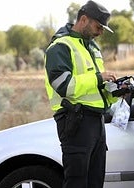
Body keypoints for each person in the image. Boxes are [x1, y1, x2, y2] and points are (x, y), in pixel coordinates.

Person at [44, 1, 119, 187]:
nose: (101, 32)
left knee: (95, 181)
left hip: (96, 122)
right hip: (75, 121)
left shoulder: (91, 47)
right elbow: (64, 85)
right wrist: (98, 78)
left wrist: (116, 91)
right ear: (83, 19)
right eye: (98, 26)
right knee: (77, 182)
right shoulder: (60, 47)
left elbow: (95, 87)